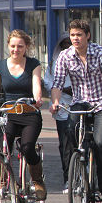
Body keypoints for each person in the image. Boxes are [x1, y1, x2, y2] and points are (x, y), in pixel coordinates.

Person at [50, 19, 102, 203]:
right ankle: (80, 167)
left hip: (101, 104)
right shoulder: (65, 56)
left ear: (87, 35)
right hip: (79, 102)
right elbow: (57, 83)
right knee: (69, 128)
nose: (75, 38)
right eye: (72, 35)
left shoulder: (101, 52)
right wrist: (55, 102)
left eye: (79, 34)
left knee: (100, 142)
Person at [0, 30, 45, 200]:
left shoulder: (34, 64)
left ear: (26, 47)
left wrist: (37, 98)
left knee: (27, 147)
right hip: (9, 114)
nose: (16, 49)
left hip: (29, 114)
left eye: (20, 46)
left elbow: (36, 86)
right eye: (13, 46)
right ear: (8, 46)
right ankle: (3, 184)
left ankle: (37, 180)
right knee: (3, 148)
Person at [43, 33, 73, 194]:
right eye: (65, 44)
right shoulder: (55, 63)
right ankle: (67, 178)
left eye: (70, 43)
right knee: (65, 144)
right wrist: (61, 90)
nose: (68, 46)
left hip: (80, 103)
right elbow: (48, 82)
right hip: (61, 105)